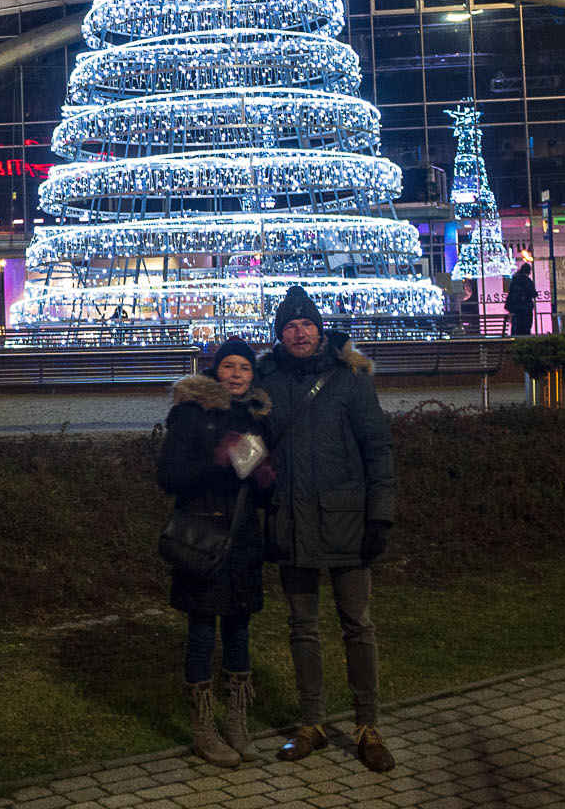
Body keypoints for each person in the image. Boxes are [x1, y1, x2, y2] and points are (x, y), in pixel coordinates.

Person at [256, 285, 397, 773]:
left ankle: (367, 726)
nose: (299, 332)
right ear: (279, 334)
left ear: (320, 329)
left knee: (357, 624)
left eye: (306, 324)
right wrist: (220, 455)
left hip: (347, 522)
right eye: (290, 326)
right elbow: (253, 446)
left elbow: (377, 447)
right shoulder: (267, 380)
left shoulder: (348, 378)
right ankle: (312, 722)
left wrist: (380, 513)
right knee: (303, 626)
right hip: (292, 522)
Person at [156, 338, 276, 769]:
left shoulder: (257, 416)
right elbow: (169, 475)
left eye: (245, 367)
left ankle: (238, 726)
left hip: (242, 540)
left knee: (240, 632)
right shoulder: (191, 413)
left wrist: (265, 479)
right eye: (229, 366)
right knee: (203, 632)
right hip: (203, 536)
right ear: (215, 371)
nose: (238, 374)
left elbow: (260, 483)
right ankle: (205, 731)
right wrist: (219, 460)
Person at [506, 263, 537, 337]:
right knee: (525, 328)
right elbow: (533, 293)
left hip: (515, 309)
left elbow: (510, 294)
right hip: (526, 309)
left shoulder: (514, 281)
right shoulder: (527, 281)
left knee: (516, 328)